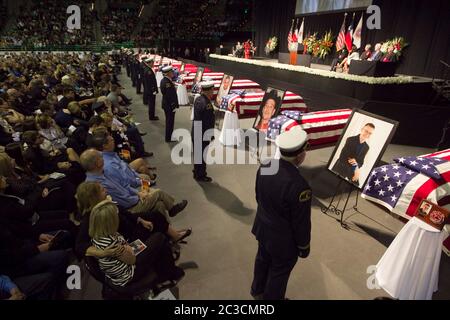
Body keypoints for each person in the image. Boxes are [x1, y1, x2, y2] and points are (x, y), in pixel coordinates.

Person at [251, 127, 312, 300]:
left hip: (262, 228)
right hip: (283, 241)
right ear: (299, 155)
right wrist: (303, 246)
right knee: (279, 272)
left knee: (262, 260)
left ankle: (257, 291)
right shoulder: (300, 186)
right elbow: (300, 222)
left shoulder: (266, 166)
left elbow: (258, 196)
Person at [89, 200, 185, 287]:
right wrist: (129, 247)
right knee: (160, 238)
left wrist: (131, 246)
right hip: (129, 273)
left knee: (155, 241)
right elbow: (132, 259)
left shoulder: (97, 236)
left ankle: (169, 272)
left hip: (122, 264)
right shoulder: (112, 245)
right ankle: (168, 274)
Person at [80, 149, 187, 218]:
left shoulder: (103, 173)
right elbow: (124, 202)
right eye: (101, 157)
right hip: (129, 209)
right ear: (98, 163)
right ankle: (172, 208)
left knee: (159, 205)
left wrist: (138, 193)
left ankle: (168, 234)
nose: (103, 159)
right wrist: (139, 197)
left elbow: (124, 185)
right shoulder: (98, 184)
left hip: (132, 197)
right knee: (158, 193)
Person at [192, 81, 216, 182]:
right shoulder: (207, 104)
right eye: (212, 90)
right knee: (202, 155)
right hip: (203, 133)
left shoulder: (198, 99)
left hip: (196, 130)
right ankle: (201, 175)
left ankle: (196, 171)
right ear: (209, 90)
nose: (213, 92)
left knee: (198, 153)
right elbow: (207, 122)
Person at [160, 66, 179, 143]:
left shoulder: (165, 80)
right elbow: (169, 96)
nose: (173, 73)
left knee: (169, 121)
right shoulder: (167, 83)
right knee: (169, 122)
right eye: (171, 72)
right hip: (169, 105)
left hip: (166, 104)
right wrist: (173, 105)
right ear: (168, 73)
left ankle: (169, 136)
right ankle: (169, 138)